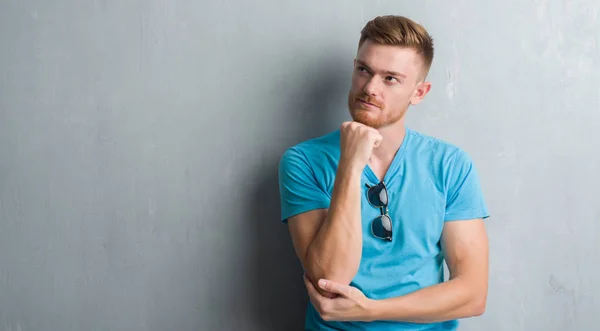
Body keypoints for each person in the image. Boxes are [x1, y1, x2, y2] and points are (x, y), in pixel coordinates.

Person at [278, 15, 490, 331]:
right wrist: (350, 163)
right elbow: (331, 276)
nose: (370, 88)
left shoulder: (450, 165)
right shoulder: (303, 161)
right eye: (363, 70)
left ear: (419, 92)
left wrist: (372, 310)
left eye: (390, 78)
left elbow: (472, 294)